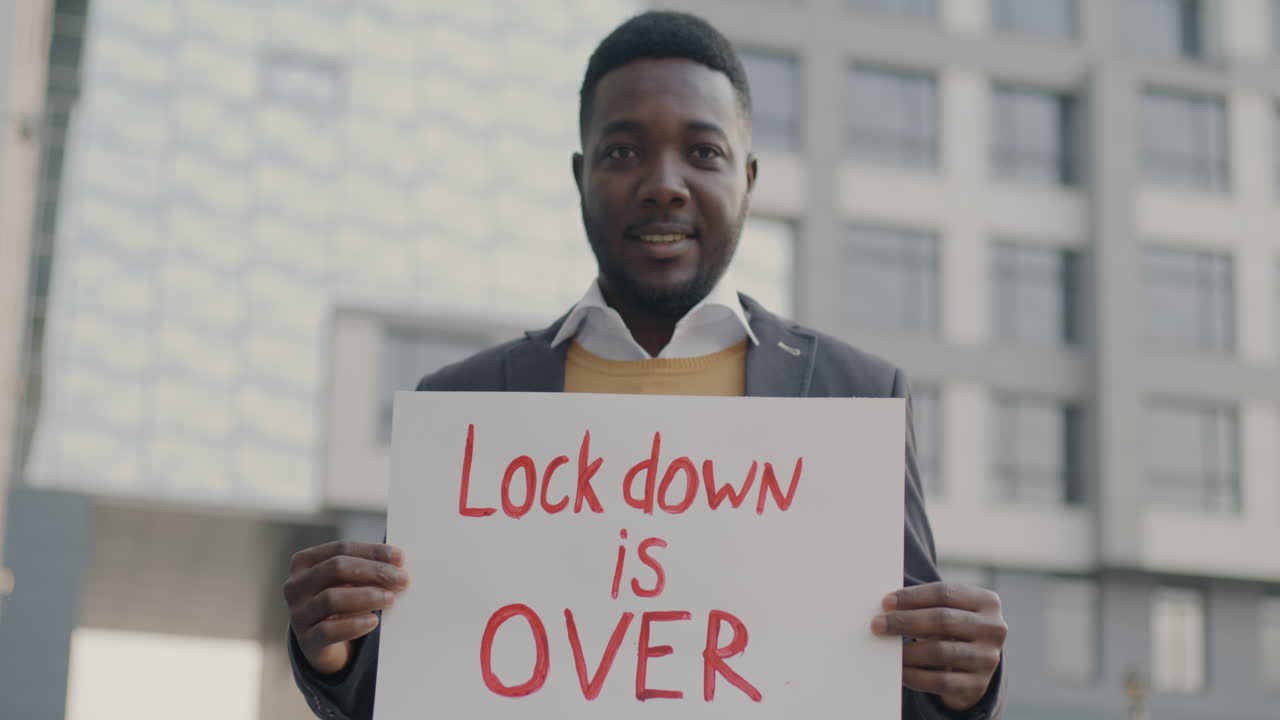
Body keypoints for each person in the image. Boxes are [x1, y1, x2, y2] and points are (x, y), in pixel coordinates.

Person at [283, 11, 1007, 720]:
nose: (664, 183)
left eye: (703, 152)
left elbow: (903, 688)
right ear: (580, 175)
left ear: (749, 178)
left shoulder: (856, 399)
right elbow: (419, 685)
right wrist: (333, 653)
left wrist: (965, 689)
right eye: (624, 152)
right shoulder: (465, 407)